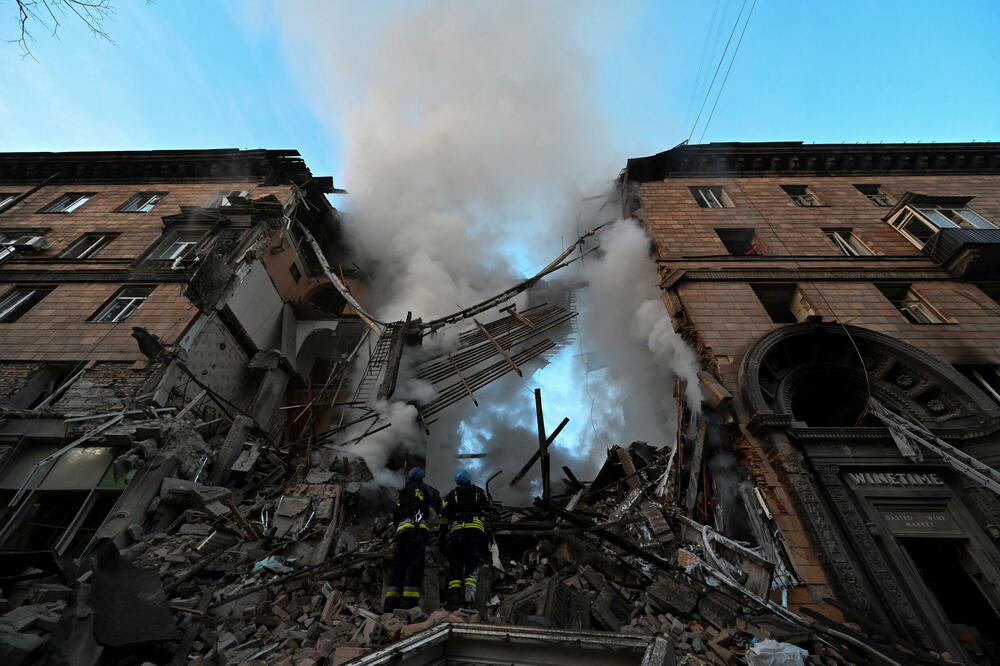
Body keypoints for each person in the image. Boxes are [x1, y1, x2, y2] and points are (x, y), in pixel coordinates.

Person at [384, 466, 441, 612]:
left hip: (401, 532)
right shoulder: (422, 488)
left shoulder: (403, 493)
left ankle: (390, 604)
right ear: (421, 478)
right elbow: (438, 502)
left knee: (398, 566)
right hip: (416, 530)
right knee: (415, 565)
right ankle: (410, 603)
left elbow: (396, 515)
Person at [441, 468, 489, 609]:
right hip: (475, 532)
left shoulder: (451, 495)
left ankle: (453, 602)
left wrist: (442, 536)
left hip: (457, 533)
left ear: (457, 482)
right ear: (469, 480)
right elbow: (487, 507)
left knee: (455, 566)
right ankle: (469, 602)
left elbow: (444, 517)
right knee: (472, 566)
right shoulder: (479, 492)